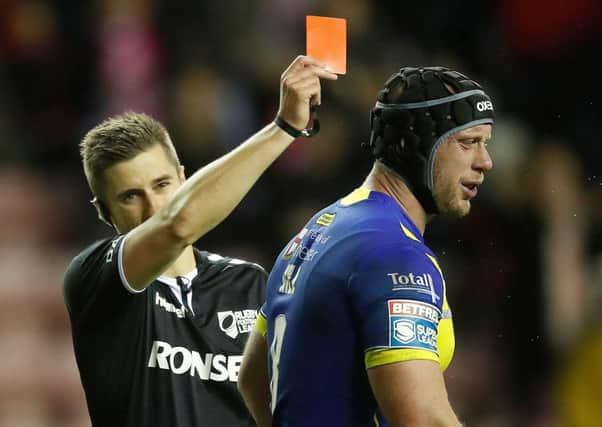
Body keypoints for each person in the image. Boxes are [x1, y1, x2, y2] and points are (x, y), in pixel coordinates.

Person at [63, 55, 337, 427]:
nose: (154, 207)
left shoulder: (250, 283)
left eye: (162, 185)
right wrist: (284, 127)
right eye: (130, 196)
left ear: (184, 180)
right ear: (103, 211)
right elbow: (176, 225)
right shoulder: (95, 278)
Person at [238, 67, 495, 426]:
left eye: (485, 144)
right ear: (413, 145)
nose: (485, 161)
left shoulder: (318, 228)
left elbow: (253, 377)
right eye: (467, 143)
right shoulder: (395, 254)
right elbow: (424, 419)